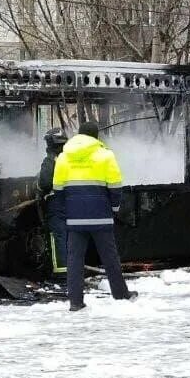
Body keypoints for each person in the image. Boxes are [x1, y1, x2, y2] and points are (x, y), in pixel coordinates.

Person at [52, 121, 135, 312]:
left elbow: (58, 189)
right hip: (101, 217)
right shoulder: (106, 155)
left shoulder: (64, 157)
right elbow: (115, 186)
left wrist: (68, 211)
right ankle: (121, 294)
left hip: (75, 218)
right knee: (110, 258)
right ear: (96, 136)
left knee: (74, 260)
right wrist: (113, 209)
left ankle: (75, 302)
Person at [37, 128, 68, 278]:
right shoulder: (71, 158)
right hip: (73, 200)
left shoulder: (51, 160)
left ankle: (62, 272)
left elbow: (44, 183)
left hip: (57, 202)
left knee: (58, 236)